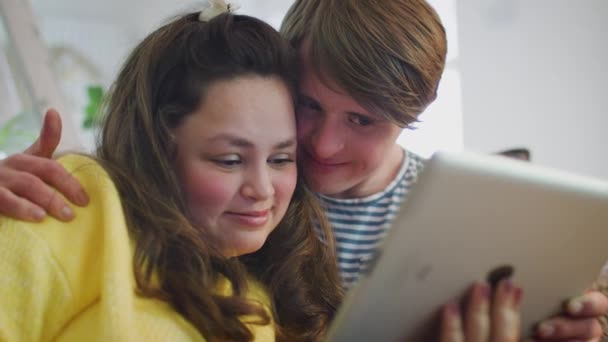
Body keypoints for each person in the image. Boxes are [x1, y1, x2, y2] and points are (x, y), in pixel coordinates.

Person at [1, 0, 600, 340]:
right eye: (309, 106)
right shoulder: (228, 213)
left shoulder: (460, 218)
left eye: (363, 121)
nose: (322, 144)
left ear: (412, 117)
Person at [0, 10, 344, 341]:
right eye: (229, 160)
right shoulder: (77, 202)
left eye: (281, 158)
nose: (263, 189)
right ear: (157, 150)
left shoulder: (283, 279)